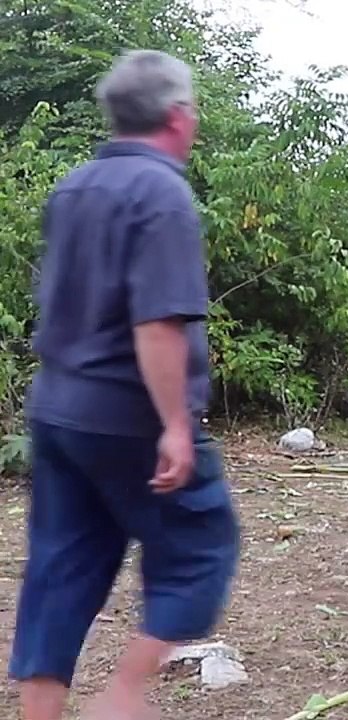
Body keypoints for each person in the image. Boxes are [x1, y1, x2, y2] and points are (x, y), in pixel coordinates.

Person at [9, 49, 240, 720]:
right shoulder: (162, 192)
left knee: (60, 567)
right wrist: (174, 423)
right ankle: (123, 697)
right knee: (202, 544)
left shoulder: (73, 185)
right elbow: (159, 323)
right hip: (126, 415)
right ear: (176, 116)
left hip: (56, 409)